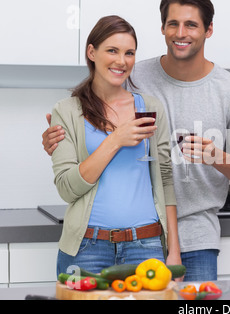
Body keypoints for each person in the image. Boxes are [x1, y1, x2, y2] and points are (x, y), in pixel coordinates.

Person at [43, 0, 230, 281]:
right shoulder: (132, 75)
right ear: (162, 28)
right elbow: (87, 108)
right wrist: (59, 139)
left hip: (191, 233)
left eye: (191, 24)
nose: (181, 32)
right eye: (173, 23)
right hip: (118, 239)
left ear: (208, 30)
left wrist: (215, 156)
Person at [49, 15, 181, 276]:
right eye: (112, 50)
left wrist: (174, 249)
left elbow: (165, 180)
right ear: (92, 52)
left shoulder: (151, 108)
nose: (122, 61)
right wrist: (115, 140)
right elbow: (67, 188)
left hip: (147, 246)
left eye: (129, 53)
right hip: (87, 248)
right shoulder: (66, 111)